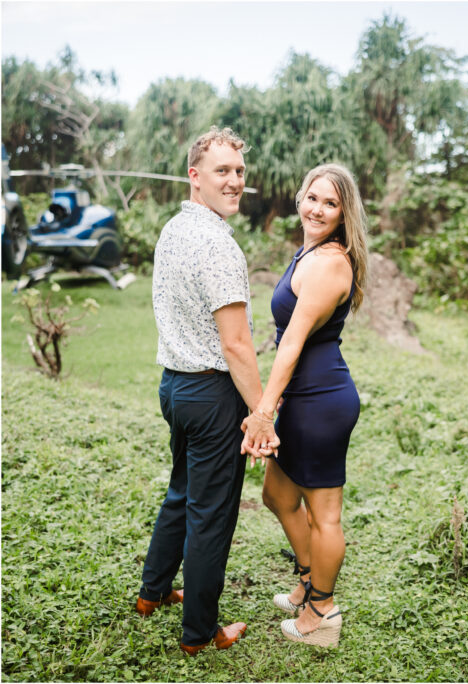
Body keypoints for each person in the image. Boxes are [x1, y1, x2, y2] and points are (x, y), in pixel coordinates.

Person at [136, 127, 278, 655]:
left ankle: (152, 593)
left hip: (174, 389)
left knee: (181, 493)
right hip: (211, 395)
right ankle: (199, 633)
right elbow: (238, 345)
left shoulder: (174, 228)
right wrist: (262, 412)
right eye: (223, 171)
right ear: (195, 176)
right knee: (210, 516)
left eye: (239, 171)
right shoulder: (218, 245)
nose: (235, 181)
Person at [242, 163, 369, 648]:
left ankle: (323, 611)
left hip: (320, 402)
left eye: (330, 203)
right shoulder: (309, 251)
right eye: (312, 197)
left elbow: (292, 341)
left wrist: (262, 412)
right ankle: (307, 579)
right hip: (300, 397)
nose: (317, 208)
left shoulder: (331, 262)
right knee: (277, 495)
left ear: (343, 213)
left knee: (325, 515)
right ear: (300, 198)